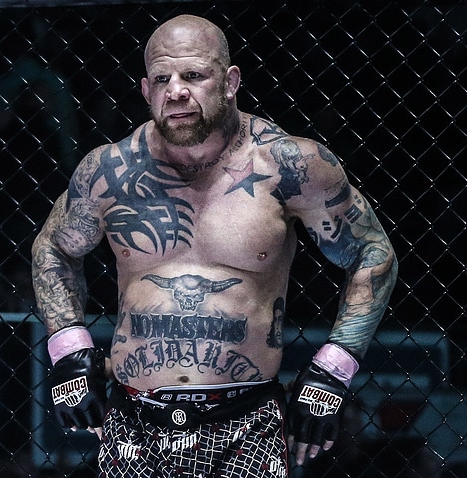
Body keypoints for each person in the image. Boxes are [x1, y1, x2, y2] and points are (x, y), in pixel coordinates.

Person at [31, 14, 398, 478]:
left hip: (246, 423)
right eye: (162, 79)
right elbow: (54, 249)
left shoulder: (289, 165)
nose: (176, 91)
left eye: (193, 75)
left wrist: (332, 371)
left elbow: (372, 253)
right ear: (145, 91)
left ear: (230, 82)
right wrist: (69, 352)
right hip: (132, 424)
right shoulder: (109, 171)